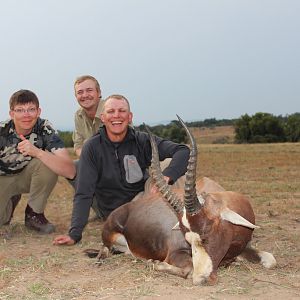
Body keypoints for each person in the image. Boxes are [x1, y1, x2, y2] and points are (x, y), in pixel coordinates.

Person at [53, 94, 189, 245]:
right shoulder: (92, 147)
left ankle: (188, 223)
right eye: (111, 112)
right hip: (115, 212)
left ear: (129, 117)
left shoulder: (141, 140)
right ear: (103, 118)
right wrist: (74, 234)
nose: (116, 116)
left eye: (122, 111)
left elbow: (183, 151)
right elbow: (84, 192)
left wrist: (167, 177)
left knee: (171, 165)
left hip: (142, 198)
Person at [0, 89, 76, 234]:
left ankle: (34, 214)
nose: (26, 115)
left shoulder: (44, 128)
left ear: (39, 111)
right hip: (3, 179)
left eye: (31, 109)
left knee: (48, 162)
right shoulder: (2, 130)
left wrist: (37, 152)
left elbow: (70, 171)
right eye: (20, 110)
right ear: (12, 114)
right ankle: (9, 201)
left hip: (27, 175)